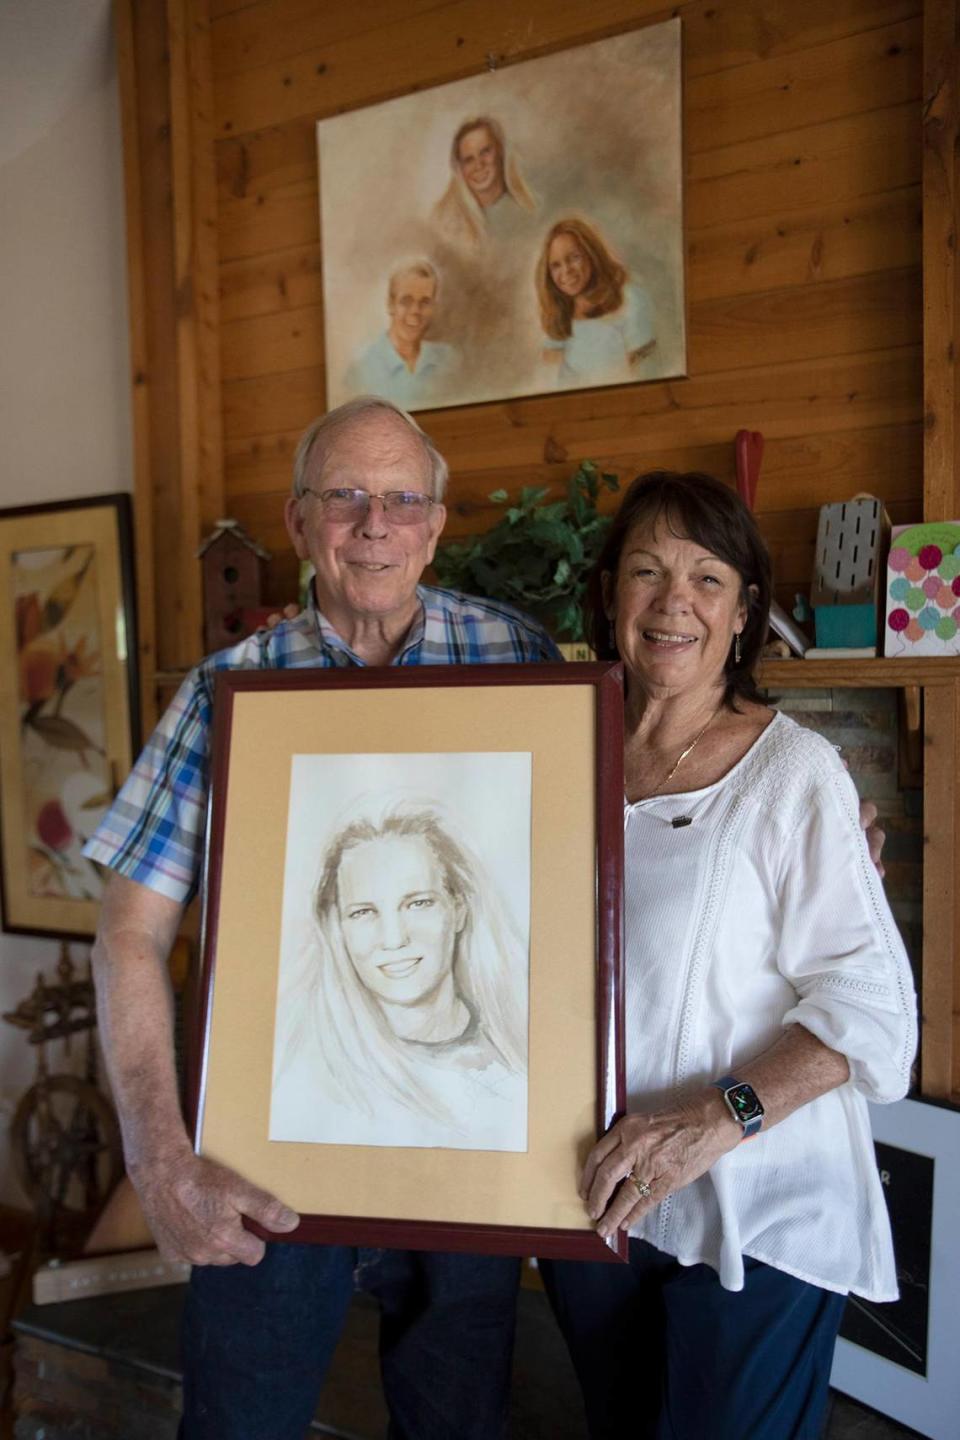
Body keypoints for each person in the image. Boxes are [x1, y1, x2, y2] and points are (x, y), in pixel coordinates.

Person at [83, 394, 560, 1440]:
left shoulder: (521, 659)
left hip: (469, 1156)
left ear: (437, 525)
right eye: (345, 497)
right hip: (268, 1165)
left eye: (400, 500)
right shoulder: (225, 694)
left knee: (457, 1422)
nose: (374, 524)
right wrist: (159, 1159)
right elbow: (128, 933)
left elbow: (595, 879)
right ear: (299, 523)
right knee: (240, 1423)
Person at [538, 470, 917, 1440]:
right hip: (601, 1197)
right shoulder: (557, 754)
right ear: (608, 597)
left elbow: (873, 1010)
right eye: (647, 572)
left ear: (746, 614)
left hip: (757, 1205)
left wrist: (718, 1119)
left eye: (709, 579)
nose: (674, 602)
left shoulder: (796, 775)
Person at [270, 798, 529, 1151]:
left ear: (458, 909)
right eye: (363, 912)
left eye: (418, 903)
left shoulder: (520, 1060)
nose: (393, 939)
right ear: (337, 927)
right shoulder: (306, 1081)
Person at [536, 217, 657, 388]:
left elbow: (646, 372)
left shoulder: (630, 299)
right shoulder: (561, 312)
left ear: (592, 254)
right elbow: (549, 370)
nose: (566, 271)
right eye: (556, 265)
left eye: (574, 257)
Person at [345, 260, 459, 410]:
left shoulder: (449, 360)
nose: (415, 311)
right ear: (390, 305)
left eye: (425, 302)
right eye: (406, 301)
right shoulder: (361, 368)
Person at [432, 116, 538, 252]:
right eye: (469, 160)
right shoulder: (445, 224)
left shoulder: (525, 213)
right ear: (459, 169)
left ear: (500, 152)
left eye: (485, 152)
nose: (479, 165)